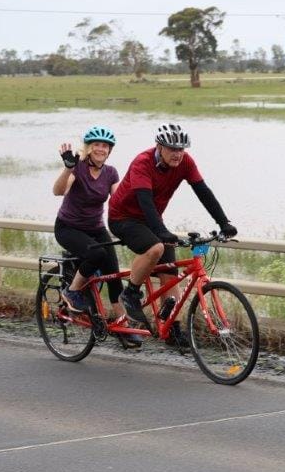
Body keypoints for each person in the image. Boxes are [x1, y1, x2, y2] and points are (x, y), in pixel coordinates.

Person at [107, 123, 237, 346]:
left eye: (181, 149)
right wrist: (161, 232)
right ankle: (131, 293)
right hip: (123, 218)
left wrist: (224, 222)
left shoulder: (185, 162)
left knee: (171, 273)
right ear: (159, 146)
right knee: (156, 247)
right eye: (172, 149)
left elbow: (203, 191)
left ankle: (173, 330)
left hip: (151, 220)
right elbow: (144, 201)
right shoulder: (143, 162)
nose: (178, 154)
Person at [53, 126, 142, 348]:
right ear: (89, 148)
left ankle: (122, 324)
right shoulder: (78, 168)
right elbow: (59, 191)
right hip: (68, 228)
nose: (101, 149)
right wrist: (67, 169)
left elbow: (119, 200)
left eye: (105, 146)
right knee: (96, 253)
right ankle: (72, 292)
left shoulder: (110, 172)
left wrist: (136, 221)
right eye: (97, 145)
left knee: (114, 276)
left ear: (109, 150)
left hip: (95, 228)